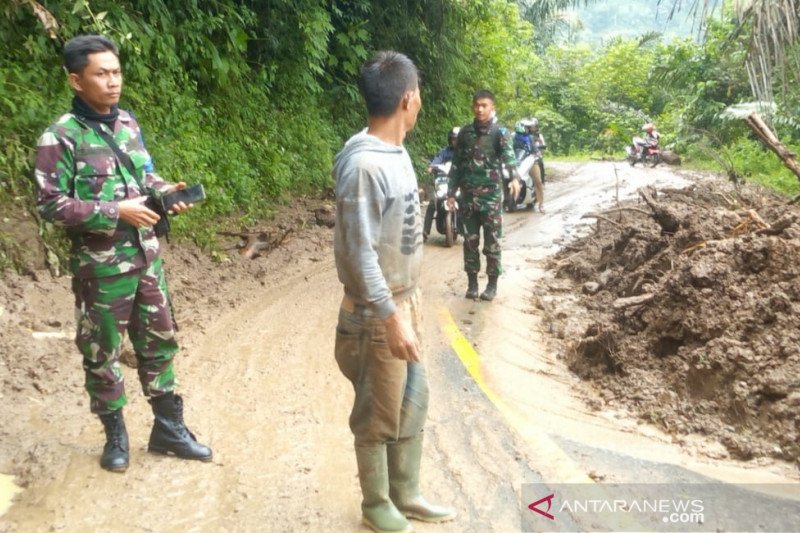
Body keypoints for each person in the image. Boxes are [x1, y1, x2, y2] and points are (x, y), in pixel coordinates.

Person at [33, 35, 212, 472]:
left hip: (146, 258)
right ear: (76, 80)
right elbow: (49, 205)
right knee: (102, 350)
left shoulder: (127, 124)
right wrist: (115, 211)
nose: (113, 82)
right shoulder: (60, 138)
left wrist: (165, 192)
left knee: (159, 343)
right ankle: (115, 436)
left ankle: (169, 429)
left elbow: (144, 176)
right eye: (101, 73)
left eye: (116, 71)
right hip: (101, 267)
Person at [333, 50, 456, 533]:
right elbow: (359, 252)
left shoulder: (397, 149)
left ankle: (407, 492)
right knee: (376, 412)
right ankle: (376, 504)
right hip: (375, 313)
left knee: (412, 402)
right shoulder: (364, 165)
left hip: (406, 300)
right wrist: (390, 316)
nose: (421, 101)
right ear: (409, 98)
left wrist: (407, 307)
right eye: (419, 94)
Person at [447, 89, 521, 301]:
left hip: (491, 200)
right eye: (477, 105)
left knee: (492, 243)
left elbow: (509, 158)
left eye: (484, 105)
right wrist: (451, 193)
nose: (480, 109)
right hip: (468, 199)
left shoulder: (500, 133)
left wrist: (514, 177)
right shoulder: (465, 133)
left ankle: (491, 285)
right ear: (473, 107)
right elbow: (457, 165)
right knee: (470, 243)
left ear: (492, 108)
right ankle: (471, 284)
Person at [524, 118, 546, 213]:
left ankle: (541, 203)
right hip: (522, 160)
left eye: (533, 126)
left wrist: (538, 152)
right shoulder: (519, 136)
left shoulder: (538, 136)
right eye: (529, 127)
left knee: (538, 180)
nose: (531, 128)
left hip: (534, 159)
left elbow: (542, 146)